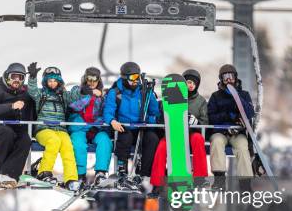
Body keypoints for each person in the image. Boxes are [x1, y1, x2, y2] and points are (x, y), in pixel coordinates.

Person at [103, 61, 160, 189]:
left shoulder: (145, 92)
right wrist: (112, 121)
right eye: (133, 77)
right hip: (124, 126)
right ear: (124, 77)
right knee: (125, 136)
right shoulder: (116, 92)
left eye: (138, 77)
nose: (136, 81)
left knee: (152, 139)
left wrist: (148, 121)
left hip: (142, 127)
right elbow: (108, 111)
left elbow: (154, 112)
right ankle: (122, 171)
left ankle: (143, 173)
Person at [150, 69, 209, 192]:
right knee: (161, 147)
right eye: (188, 82)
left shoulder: (201, 101)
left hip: (191, 133)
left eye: (194, 83)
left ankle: (200, 178)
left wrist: (196, 122)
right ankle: (157, 183)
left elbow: (205, 122)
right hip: (173, 133)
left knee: (199, 139)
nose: (191, 85)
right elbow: (160, 116)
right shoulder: (169, 99)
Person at [27, 62, 82, 190]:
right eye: (49, 81)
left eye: (54, 81)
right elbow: (32, 90)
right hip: (43, 129)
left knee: (68, 147)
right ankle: (43, 172)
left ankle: (71, 179)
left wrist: (81, 89)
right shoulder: (41, 94)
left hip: (61, 129)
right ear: (45, 82)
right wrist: (33, 77)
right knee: (53, 141)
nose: (52, 83)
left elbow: (75, 97)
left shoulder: (63, 95)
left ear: (59, 82)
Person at [0, 63, 34, 188]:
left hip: (17, 126)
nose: (17, 80)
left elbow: (40, 95)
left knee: (25, 140)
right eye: (14, 76)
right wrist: (11, 106)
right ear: (7, 77)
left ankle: (10, 176)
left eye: (21, 78)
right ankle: (2, 175)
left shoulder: (26, 92)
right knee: (6, 134)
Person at [207, 64, 255, 177]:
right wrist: (228, 115)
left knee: (243, 146)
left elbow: (250, 113)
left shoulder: (244, 94)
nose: (228, 79)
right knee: (217, 142)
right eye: (225, 77)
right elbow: (210, 117)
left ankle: (245, 183)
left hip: (237, 133)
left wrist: (237, 97)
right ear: (221, 79)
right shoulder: (215, 96)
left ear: (236, 77)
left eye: (231, 76)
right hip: (220, 132)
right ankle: (219, 179)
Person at [68, 67, 113, 186]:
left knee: (104, 140)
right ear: (85, 79)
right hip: (80, 127)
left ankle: (101, 173)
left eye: (95, 80)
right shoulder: (77, 90)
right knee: (78, 143)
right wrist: (90, 94)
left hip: (95, 128)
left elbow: (107, 111)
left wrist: (103, 96)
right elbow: (74, 105)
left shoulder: (104, 95)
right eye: (89, 79)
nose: (92, 83)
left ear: (99, 81)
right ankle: (80, 175)